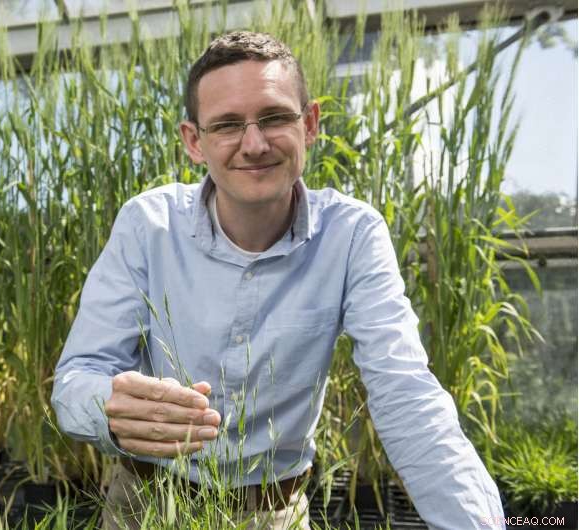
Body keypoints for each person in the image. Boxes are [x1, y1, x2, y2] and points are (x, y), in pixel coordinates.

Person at [51, 31, 505, 530]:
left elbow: (405, 392)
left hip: (274, 514)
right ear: (194, 142)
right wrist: (111, 412)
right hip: (146, 508)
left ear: (308, 124)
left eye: (274, 117)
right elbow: (79, 376)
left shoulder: (352, 234)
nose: (254, 144)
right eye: (226, 125)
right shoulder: (147, 225)